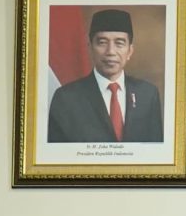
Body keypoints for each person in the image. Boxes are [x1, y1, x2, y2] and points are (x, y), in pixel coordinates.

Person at [46, 7, 165, 144]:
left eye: (119, 43)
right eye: (102, 43)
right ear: (90, 48)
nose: (110, 52)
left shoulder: (148, 94)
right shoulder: (66, 98)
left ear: (130, 51)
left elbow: (155, 152)